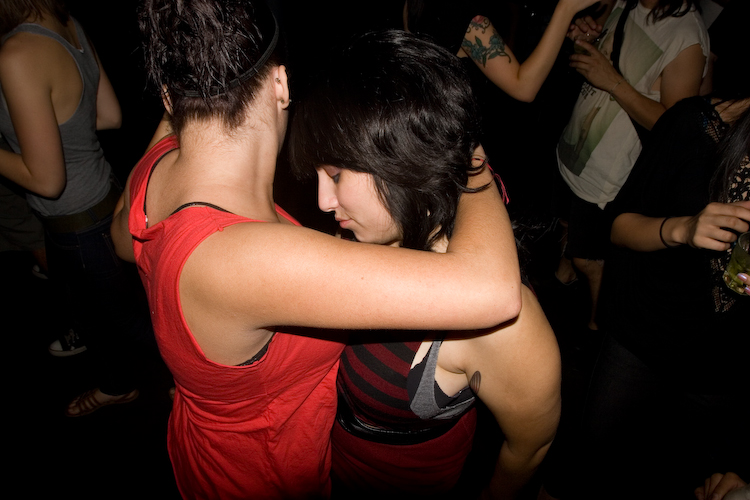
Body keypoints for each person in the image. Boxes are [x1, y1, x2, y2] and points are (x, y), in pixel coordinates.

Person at [112, 1, 522, 498]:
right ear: (281, 85)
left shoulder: (152, 171)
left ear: (170, 97)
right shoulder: (244, 262)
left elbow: (122, 239)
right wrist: (467, 152)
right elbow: (494, 291)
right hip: (264, 478)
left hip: (201, 450)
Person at [289, 30, 561, 500]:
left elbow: (529, 448)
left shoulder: (501, 327)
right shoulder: (362, 229)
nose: (322, 201)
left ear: (404, 160)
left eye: (335, 174)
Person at [569, 84, 750, 499]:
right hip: (645, 339)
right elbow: (619, 228)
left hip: (724, 370)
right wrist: (684, 229)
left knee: (671, 479)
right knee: (590, 464)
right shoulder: (696, 126)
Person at [0, 0, 150, 415]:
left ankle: (208, 390)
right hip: (104, 198)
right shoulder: (67, 25)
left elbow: (47, 180)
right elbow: (110, 115)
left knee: (128, 321)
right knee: (95, 314)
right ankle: (117, 385)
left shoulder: (16, 53)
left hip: (77, 223)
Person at [553, 0, 709, 330]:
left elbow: (676, 128)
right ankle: (564, 276)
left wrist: (613, 82)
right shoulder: (627, 2)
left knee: (589, 260)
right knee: (570, 232)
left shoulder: (686, 34)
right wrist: (584, 34)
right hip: (575, 151)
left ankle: (597, 329)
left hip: (608, 174)